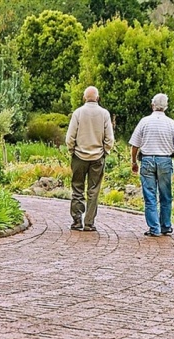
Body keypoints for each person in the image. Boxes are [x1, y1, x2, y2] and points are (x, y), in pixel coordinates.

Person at [129, 93, 174, 237]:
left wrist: (134, 161)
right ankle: (166, 226)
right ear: (166, 106)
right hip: (165, 160)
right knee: (165, 195)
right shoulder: (171, 123)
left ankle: (154, 228)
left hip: (147, 159)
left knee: (150, 196)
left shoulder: (144, 122)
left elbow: (135, 145)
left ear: (152, 104)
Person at [65, 86, 115, 231]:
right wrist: (105, 151)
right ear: (98, 98)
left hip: (79, 156)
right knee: (93, 190)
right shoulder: (104, 114)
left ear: (84, 97)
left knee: (77, 188)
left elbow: (70, 136)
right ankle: (89, 222)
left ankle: (76, 220)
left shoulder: (78, 113)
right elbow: (109, 138)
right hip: (97, 157)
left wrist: (72, 150)